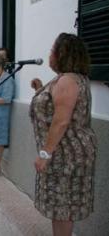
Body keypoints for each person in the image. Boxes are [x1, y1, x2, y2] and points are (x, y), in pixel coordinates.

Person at [29, 33, 97, 236]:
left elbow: (61, 121)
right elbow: (54, 107)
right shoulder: (69, 79)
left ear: (62, 54)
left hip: (65, 155)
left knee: (63, 206)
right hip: (64, 152)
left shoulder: (68, 80)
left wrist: (45, 154)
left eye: (52, 51)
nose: (50, 55)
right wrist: (40, 89)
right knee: (61, 207)